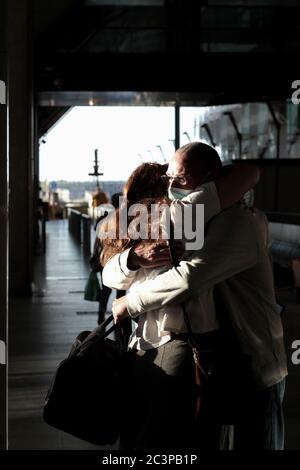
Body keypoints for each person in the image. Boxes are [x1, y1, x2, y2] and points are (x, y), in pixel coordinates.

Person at [109, 142, 287, 450]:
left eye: (181, 179)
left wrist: (129, 302)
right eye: (169, 180)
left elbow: (191, 277)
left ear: (210, 181)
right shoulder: (198, 222)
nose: (172, 188)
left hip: (257, 364)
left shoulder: (240, 223)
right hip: (232, 358)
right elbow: (112, 269)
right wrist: (133, 259)